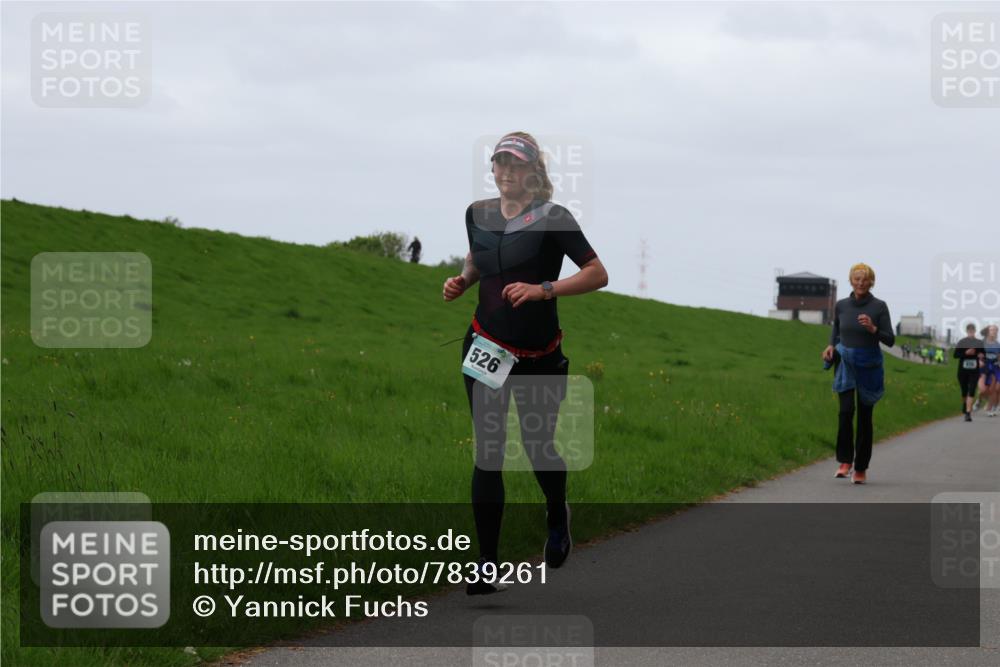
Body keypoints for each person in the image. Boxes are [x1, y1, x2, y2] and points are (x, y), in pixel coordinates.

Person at [443, 131, 608, 594]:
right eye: (500, 162)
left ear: (533, 170)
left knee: (538, 447)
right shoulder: (477, 213)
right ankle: (486, 566)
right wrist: (462, 280)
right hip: (486, 346)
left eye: (515, 164)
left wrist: (543, 290)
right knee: (489, 453)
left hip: (538, 355)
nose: (506, 171)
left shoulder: (554, 218)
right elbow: (478, 257)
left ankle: (557, 512)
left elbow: (597, 273)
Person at [822, 263, 894, 485]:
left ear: (871, 282)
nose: (860, 283)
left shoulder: (879, 306)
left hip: (868, 366)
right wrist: (830, 346)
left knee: (864, 417)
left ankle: (861, 467)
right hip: (845, 364)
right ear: (851, 281)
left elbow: (890, 340)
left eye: (865, 279)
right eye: (856, 279)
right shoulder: (842, 306)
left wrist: (873, 329)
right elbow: (836, 331)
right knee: (845, 412)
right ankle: (845, 461)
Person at [953, 323, 983, 422]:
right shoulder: (962, 342)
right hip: (963, 371)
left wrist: (981, 357)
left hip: (974, 371)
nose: (971, 333)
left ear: (975, 331)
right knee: (964, 391)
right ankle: (965, 403)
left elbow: (984, 354)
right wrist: (965, 353)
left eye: (972, 331)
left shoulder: (979, 343)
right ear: (967, 331)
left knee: (972, 389)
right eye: (969, 331)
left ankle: (968, 413)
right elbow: (955, 355)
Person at [979, 324, 1000, 417]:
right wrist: (979, 361)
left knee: (993, 389)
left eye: (995, 330)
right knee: (983, 390)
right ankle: (980, 400)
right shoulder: (982, 343)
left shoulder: (997, 344)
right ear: (988, 332)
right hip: (983, 368)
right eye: (991, 330)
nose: (993, 332)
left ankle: (990, 408)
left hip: (993, 368)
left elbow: (998, 357)